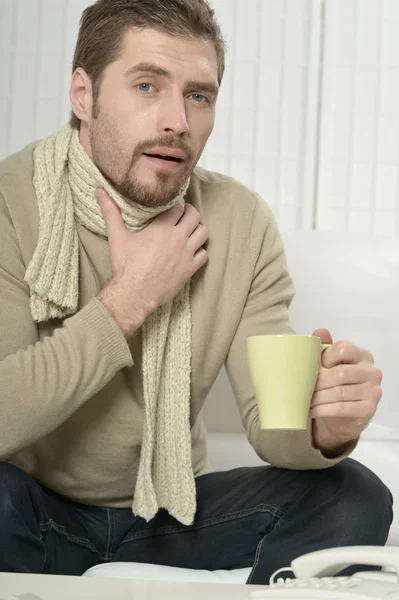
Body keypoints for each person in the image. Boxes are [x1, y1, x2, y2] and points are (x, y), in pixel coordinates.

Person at [0, 0, 392, 583]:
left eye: (198, 95)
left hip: (171, 514)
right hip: (37, 509)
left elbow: (270, 422)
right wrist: (130, 297)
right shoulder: (12, 201)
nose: (177, 121)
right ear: (83, 95)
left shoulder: (240, 220)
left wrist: (322, 428)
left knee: (354, 494)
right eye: (146, 86)